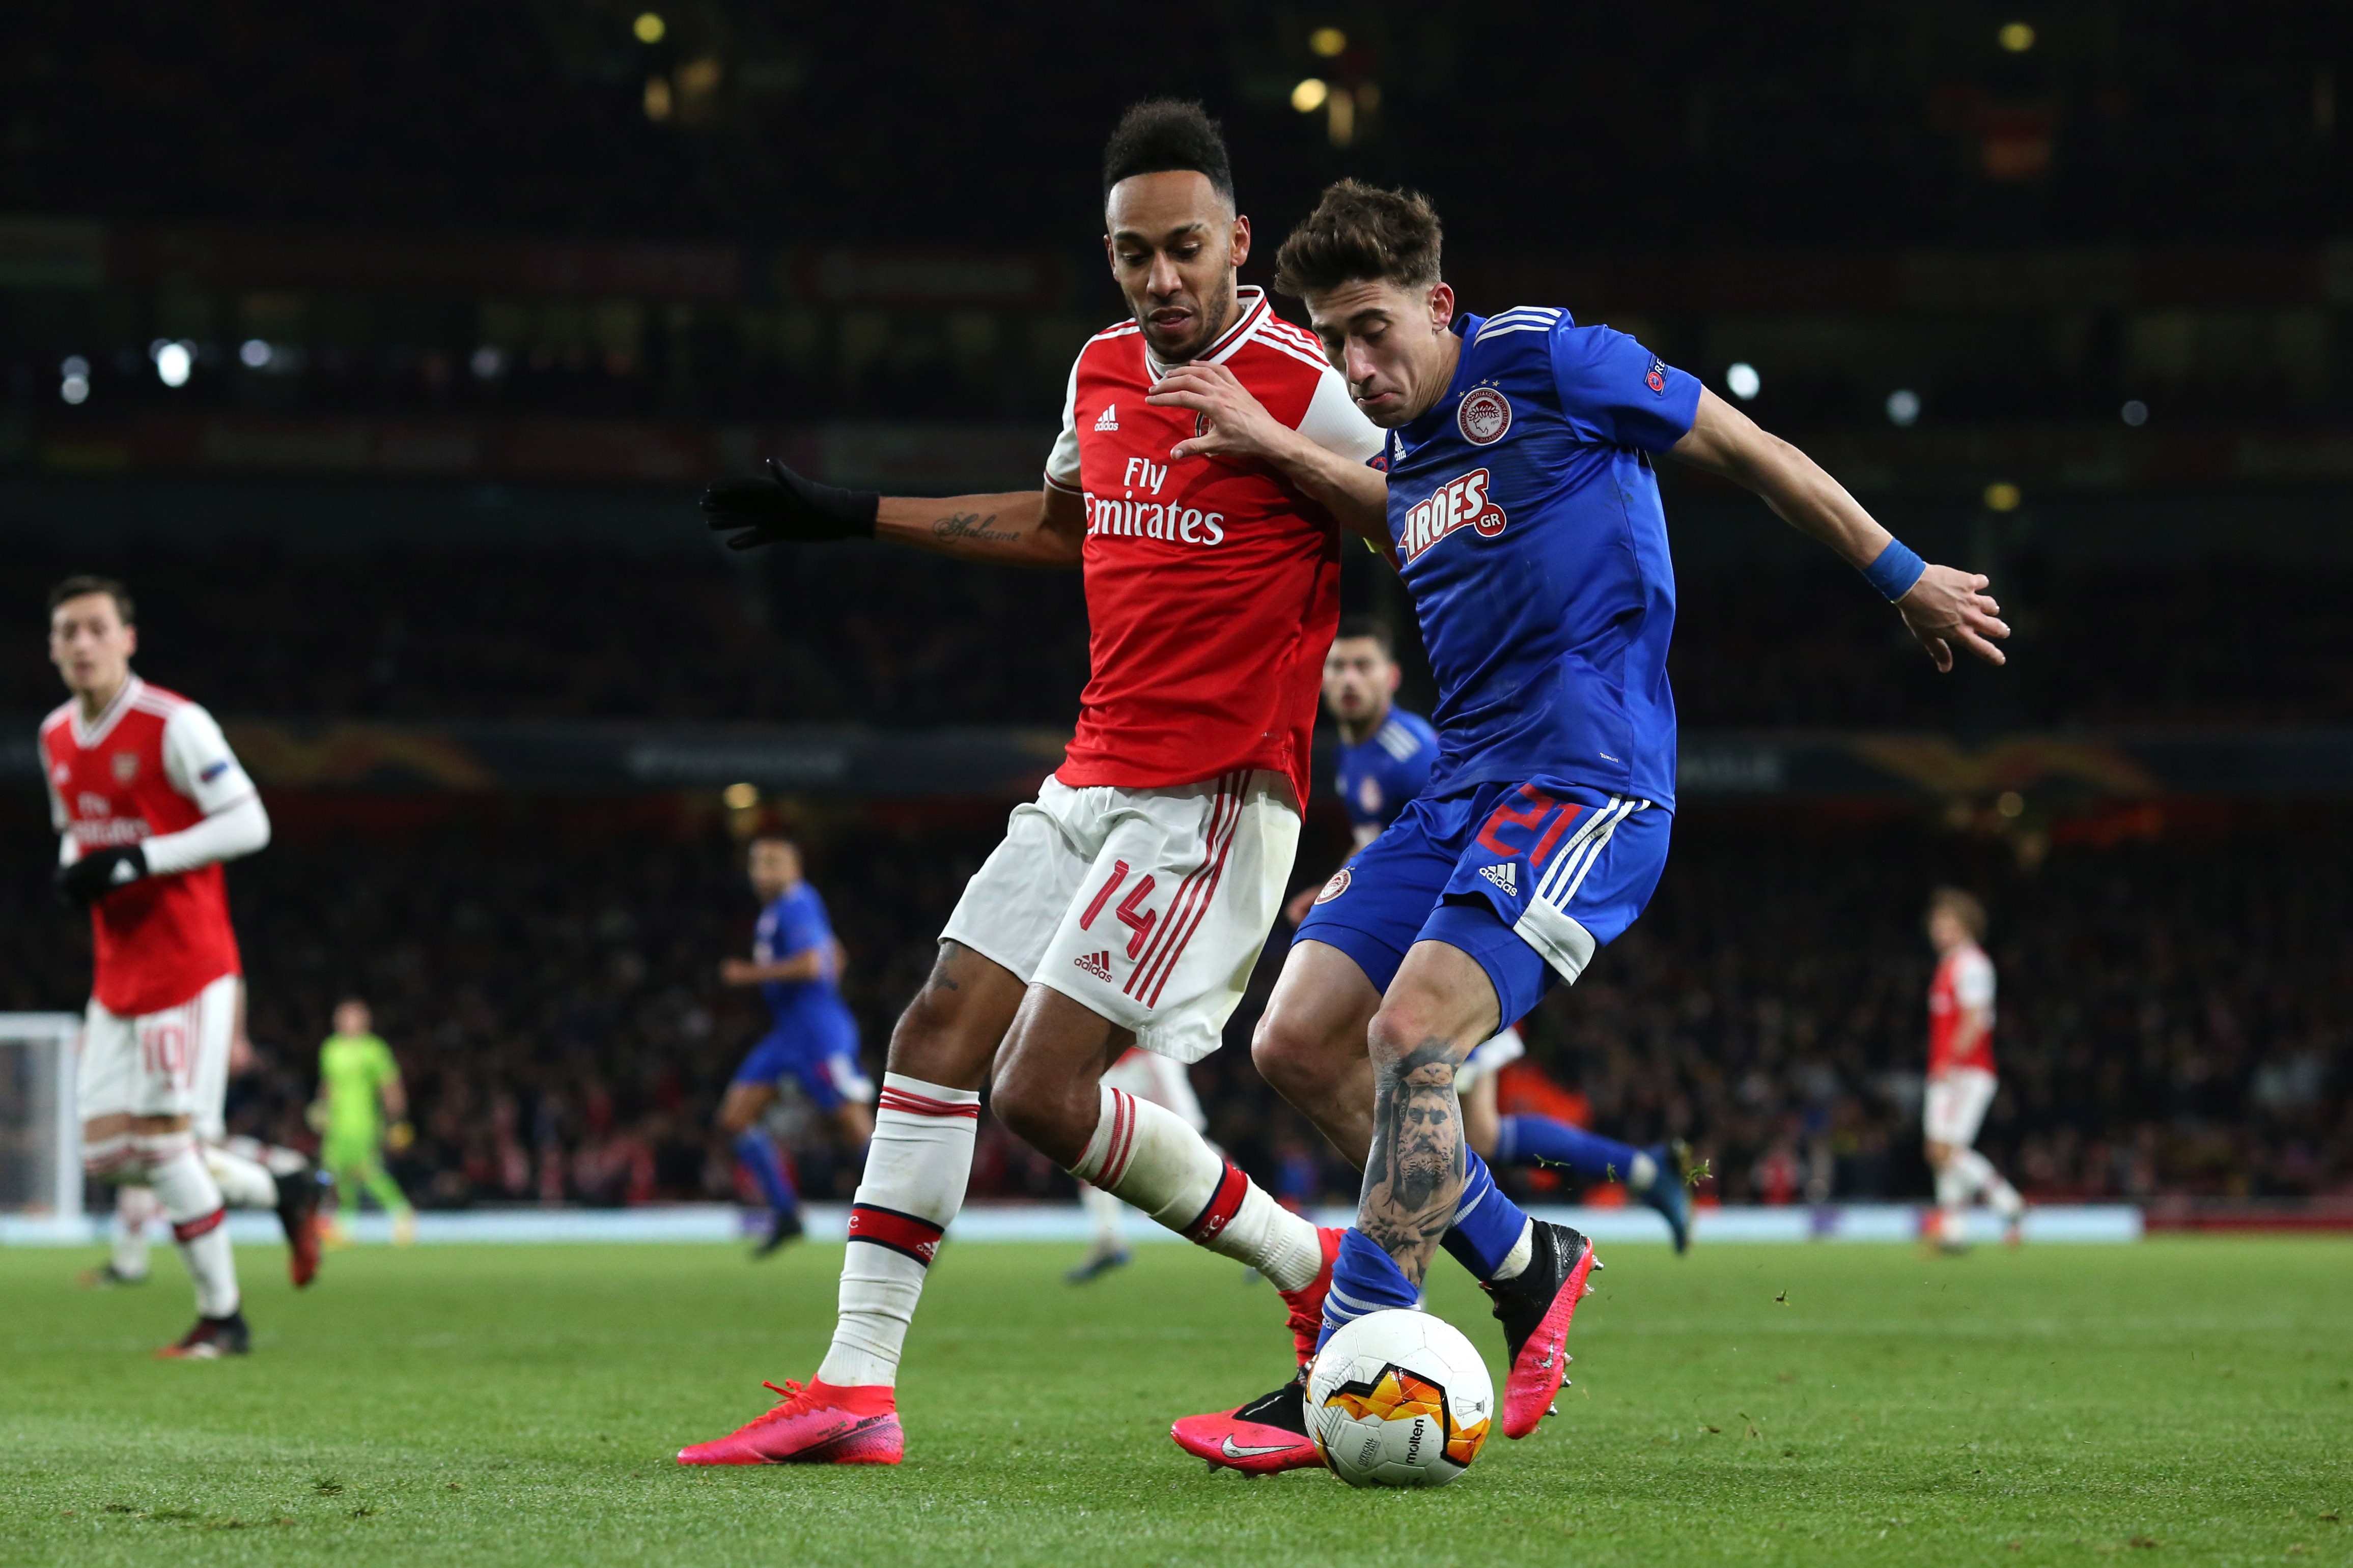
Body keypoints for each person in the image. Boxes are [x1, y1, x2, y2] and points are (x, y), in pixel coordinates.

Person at [1175, 181, 2010, 1470]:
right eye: (1333, 339)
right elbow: (1405, 523)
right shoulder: (1409, 453)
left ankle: (1355, 1358)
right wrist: (1280, 447)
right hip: (1462, 782)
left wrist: (1902, 577)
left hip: (1587, 776)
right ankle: (1524, 1263)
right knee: (1294, 1042)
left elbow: (1745, 448)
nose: (1354, 364)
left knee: (1411, 1032)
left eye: (1373, 329)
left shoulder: (1549, 360)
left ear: (1437, 304)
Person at [674, 99, 1390, 1466]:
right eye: (1132, 255)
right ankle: (853, 1387)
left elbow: (1425, 524)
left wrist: (1282, 448)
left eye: (1185, 248)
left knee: (1040, 1095)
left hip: (1215, 793)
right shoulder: (1100, 368)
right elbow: (1066, 526)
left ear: (1239, 241)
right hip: (1090, 773)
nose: (1160, 279)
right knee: (934, 1033)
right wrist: (853, 515)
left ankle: (1308, 1268)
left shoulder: (1309, 382)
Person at [1292, 617, 1694, 1250]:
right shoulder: (1355, 750)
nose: (1347, 680)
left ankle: (1402, 1256)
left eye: (1362, 666)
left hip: (1451, 955)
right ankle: (1638, 1174)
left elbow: (1459, 832)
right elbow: (1385, 846)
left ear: (1391, 678)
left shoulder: (1411, 752)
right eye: (1336, 667)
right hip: (1420, 950)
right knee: (1474, 1133)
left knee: (1391, 1093)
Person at [41, 576, 275, 1357]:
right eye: (67, 631)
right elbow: (78, 830)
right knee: (109, 1155)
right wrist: (77, 864)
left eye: (96, 628)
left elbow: (250, 821)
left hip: (186, 964)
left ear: (127, 638)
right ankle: (282, 1186)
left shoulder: (174, 723)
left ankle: (224, 1317)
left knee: (167, 1148)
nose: (82, 643)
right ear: (52, 646)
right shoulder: (54, 737)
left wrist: (139, 857)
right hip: (118, 971)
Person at [85, 977, 326, 1290]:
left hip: (182, 1009)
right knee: (119, 1155)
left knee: (171, 1147)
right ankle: (286, 1180)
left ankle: (217, 1310)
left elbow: (221, 952)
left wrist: (235, 1033)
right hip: (142, 1012)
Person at [715, 836, 874, 1258]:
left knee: (852, 1122)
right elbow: (833, 956)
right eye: (757, 862)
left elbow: (810, 964)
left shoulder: (798, 902)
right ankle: (786, 1213)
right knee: (735, 1117)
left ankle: (911, 1213)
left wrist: (747, 974)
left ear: (795, 868)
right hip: (788, 1032)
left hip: (819, 1032)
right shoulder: (782, 909)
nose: (763, 870)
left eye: (773, 862)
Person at [1920, 888, 2024, 1250]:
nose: (1940, 933)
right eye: (1937, 926)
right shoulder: (1948, 964)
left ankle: (2007, 1202)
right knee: (1939, 1150)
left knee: (1949, 1149)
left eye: (1948, 925)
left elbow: (1975, 1017)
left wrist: (1952, 1059)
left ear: (1966, 926)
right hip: (1946, 1068)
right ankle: (1955, 1228)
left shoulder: (1973, 964)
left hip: (1967, 1069)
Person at [1064, 1046, 1209, 1283]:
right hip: (1117, 1063)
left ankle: (1261, 1219)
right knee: (1090, 1144)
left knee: (1190, 1142)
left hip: (1148, 1055)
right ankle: (1107, 1239)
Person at [312, 999, 416, 1246]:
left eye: (353, 1017)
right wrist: (321, 1107)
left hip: (364, 1122)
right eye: (343, 1017)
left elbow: (390, 1086)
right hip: (337, 1124)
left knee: (367, 1171)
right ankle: (346, 1225)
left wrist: (397, 1119)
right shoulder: (330, 1049)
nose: (347, 1022)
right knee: (337, 1173)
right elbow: (328, 1084)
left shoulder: (374, 1050)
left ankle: (402, 1211)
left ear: (365, 1021)